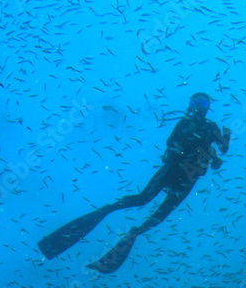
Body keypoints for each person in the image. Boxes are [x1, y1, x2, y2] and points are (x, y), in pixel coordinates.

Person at [37, 92, 231, 274]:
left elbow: (223, 149)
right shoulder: (184, 123)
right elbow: (171, 143)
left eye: (203, 102)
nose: (199, 106)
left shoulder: (211, 126)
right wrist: (191, 148)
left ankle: (132, 235)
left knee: (159, 216)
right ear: (190, 104)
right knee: (142, 199)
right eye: (196, 101)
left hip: (188, 178)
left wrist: (225, 136)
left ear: (208, 107)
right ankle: (107, 210)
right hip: (172, 169)